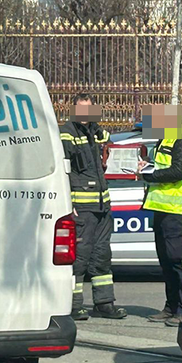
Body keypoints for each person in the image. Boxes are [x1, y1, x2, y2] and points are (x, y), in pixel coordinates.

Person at [61, 93, 126, 320]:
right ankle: (72, 305)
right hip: (81, 207)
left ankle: (104, 303)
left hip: (101, 206)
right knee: (79, 257)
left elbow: (111, 145)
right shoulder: (67, 133)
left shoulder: (96, 132)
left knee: (102, 255)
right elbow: (62, 170)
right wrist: (68, 203)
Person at [139, 103, 182, 327]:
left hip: (176, 210)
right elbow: (163, 164)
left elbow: (178, 171)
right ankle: (170, 307)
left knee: (177, 261)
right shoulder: (166, 136)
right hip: (162, 209)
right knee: (165, 261)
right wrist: (148, 165)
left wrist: (149, 175)